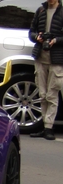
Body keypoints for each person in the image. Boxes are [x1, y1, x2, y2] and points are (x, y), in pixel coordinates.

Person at [29, 0, 63, 140]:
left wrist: (56, 40)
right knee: (42, 95)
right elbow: (31, 32)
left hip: (57, 59)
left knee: (52, 95)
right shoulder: (40, 11)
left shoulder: (61, 11)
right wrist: (37, 37)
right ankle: (44, 126)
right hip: (40, 57)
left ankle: (49, 127)